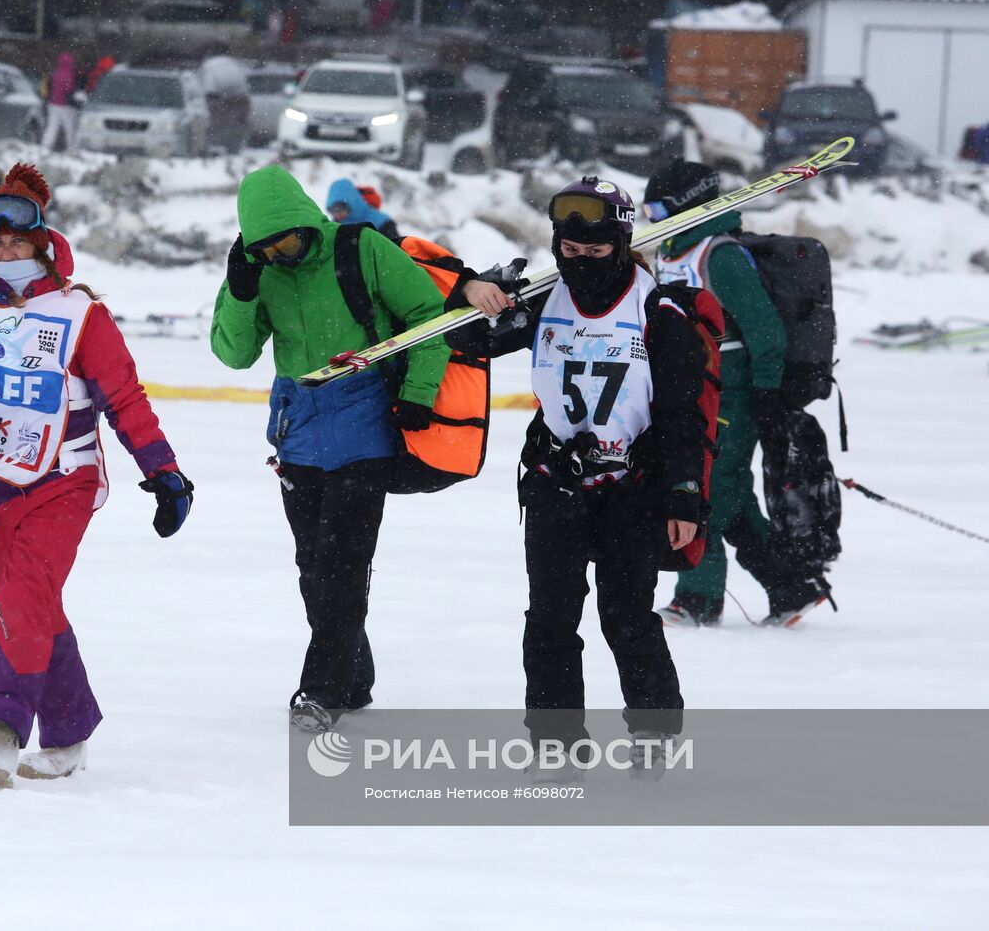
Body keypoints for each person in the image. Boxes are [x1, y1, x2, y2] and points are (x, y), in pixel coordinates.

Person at [0, 163, 193, 789]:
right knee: (33, 603)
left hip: (63, 481)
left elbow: (125, 399)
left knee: (20, 593)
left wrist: (163, 471)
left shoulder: (81, 316)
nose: (6, 251)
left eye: (17, 240)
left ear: (42, 242)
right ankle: (69, 729)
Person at [447, 176, 706, 774]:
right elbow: (472, 343)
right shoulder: (542, 301)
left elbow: (682, 417)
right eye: (569, 250)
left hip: (633, 489)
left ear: (620, 244)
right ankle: (557, 745)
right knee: (550, 621)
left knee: (627, 619)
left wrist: (685, 497)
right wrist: (475, 292)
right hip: (556, 482)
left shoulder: (659, 312)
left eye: (594, 252)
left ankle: (653, 739)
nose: (580, 262)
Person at [211, 165, 453, 732]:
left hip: (366, 426)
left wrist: (418, 394)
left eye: (289, 241)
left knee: (342, 565)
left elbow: (428, 316)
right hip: (298, 432)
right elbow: (234, 354)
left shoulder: (361, 247)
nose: (281, 255)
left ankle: (322, 690)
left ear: (306, 222)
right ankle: (354, 676)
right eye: (267, 249)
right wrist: (242, 293)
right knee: (312, 568)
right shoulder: (255, 269)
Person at [643, 160, 830, 627]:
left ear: (688, 205)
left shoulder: (718, 256)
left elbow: (765, 331)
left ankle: (697, 599)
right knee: (730, 494)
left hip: (732, 392)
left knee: (706, 490)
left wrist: (766, 392)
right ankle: (791, 587)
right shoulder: (671, 252)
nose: (655, 218)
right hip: (690, 388)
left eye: (661, 207)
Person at [324, 178, 399, 238]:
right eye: (333, 210)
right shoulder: (334, 226)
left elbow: (396, 251)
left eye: (340, 209)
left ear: (352, 203)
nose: (337, 215)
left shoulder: (383, 223)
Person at [40, 52, 77, 151]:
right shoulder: (69, 74)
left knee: (52, 126)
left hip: (53, 104)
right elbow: (68, 90)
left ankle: (46, 146)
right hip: (65, 105)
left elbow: (49, 87)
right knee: (69, 127)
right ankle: (71, 146)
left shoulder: (55, 73)